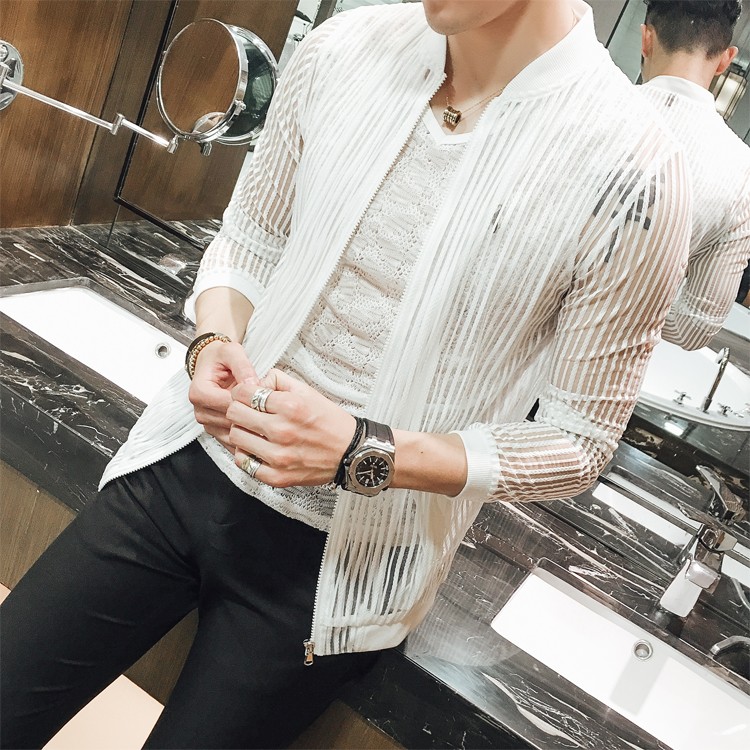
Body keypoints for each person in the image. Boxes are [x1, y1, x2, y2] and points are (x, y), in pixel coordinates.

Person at [0, 1, 692, 748]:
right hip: (185, 466)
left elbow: (578, 440)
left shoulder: (636, 169)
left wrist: (365, 451)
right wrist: (214, 340)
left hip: (340, 566)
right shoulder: (345, 48)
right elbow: (253, 234)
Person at [640, 0, 750, 350]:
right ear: (725, 60)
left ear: (646, 40)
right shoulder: (742, 172)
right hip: (608, 370)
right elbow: (693, 327)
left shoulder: (583, 108)